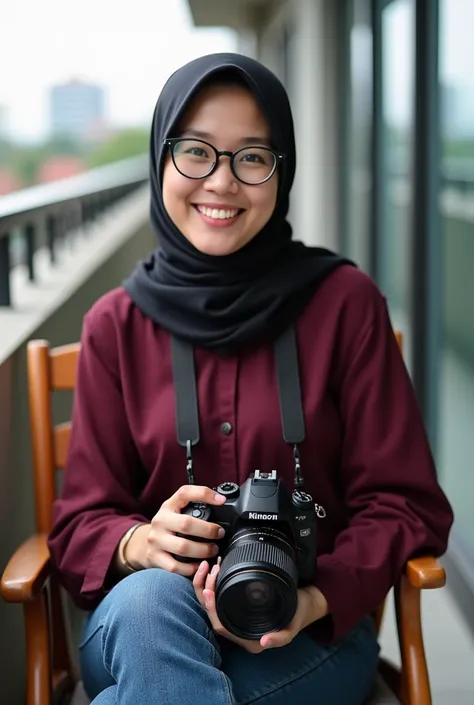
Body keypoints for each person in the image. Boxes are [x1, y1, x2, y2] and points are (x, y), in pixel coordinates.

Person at [48, 53, 453, 705]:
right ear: (161, 158)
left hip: (300, 631)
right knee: (154, 601)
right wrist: (140, 542)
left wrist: (316, 594)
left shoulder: (345, 305)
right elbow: (78, 525)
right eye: (197, 152)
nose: (222, 182)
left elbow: (405, 502)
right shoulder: (114, 325)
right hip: (146, 618)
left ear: (281, 169)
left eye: (252, 157)